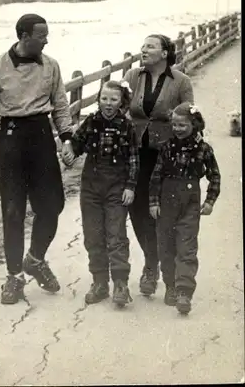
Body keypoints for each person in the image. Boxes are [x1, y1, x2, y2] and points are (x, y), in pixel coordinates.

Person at [0, 14, 74, 305]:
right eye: (41, 35)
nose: (46, 40)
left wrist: (67, 137)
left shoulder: (51, 65)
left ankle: (35, 259)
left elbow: (60, 105)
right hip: (11, 139)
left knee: (52, 205)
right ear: (23, 36)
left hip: (41, 137)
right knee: (13, 212)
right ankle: (14, 276)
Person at [122, 34, 194, 297]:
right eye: (142, 45)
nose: (143, 49)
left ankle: (170, 277)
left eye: (150, 46)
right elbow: (118, 107)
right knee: (137, 210)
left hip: (166, 157)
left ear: (165, 53)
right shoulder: (132, 76)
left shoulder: (181, 81)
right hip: (136, 153)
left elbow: (190, 115)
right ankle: (150, 265)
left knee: (164, 213)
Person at [66, 80, 139, 307]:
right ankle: (99, 283)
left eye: (114, 99)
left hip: (117, 186)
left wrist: (130, 186)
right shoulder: (91, 122)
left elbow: (134, 159)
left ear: (122, 102)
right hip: (91, 187)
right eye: (104, 99)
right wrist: (69, 152)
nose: (108, 104)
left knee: (116, 235)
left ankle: (120, 284)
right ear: (99, 99)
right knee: (93, 234)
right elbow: (77, 145)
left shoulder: (127, 127)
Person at [149, 102, 221, 314]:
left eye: (183, 125)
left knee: (187, 248)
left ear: (195, 124)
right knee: (166, 246)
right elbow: (155, 177)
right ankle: (171, 285)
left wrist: (209, 201)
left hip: (190, 203)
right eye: (175, 125)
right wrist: (154, 202)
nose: (178, 129)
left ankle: (184, 292)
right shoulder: (166, 147)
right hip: (166, 203)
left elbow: (214, 176)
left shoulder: (203, 149)